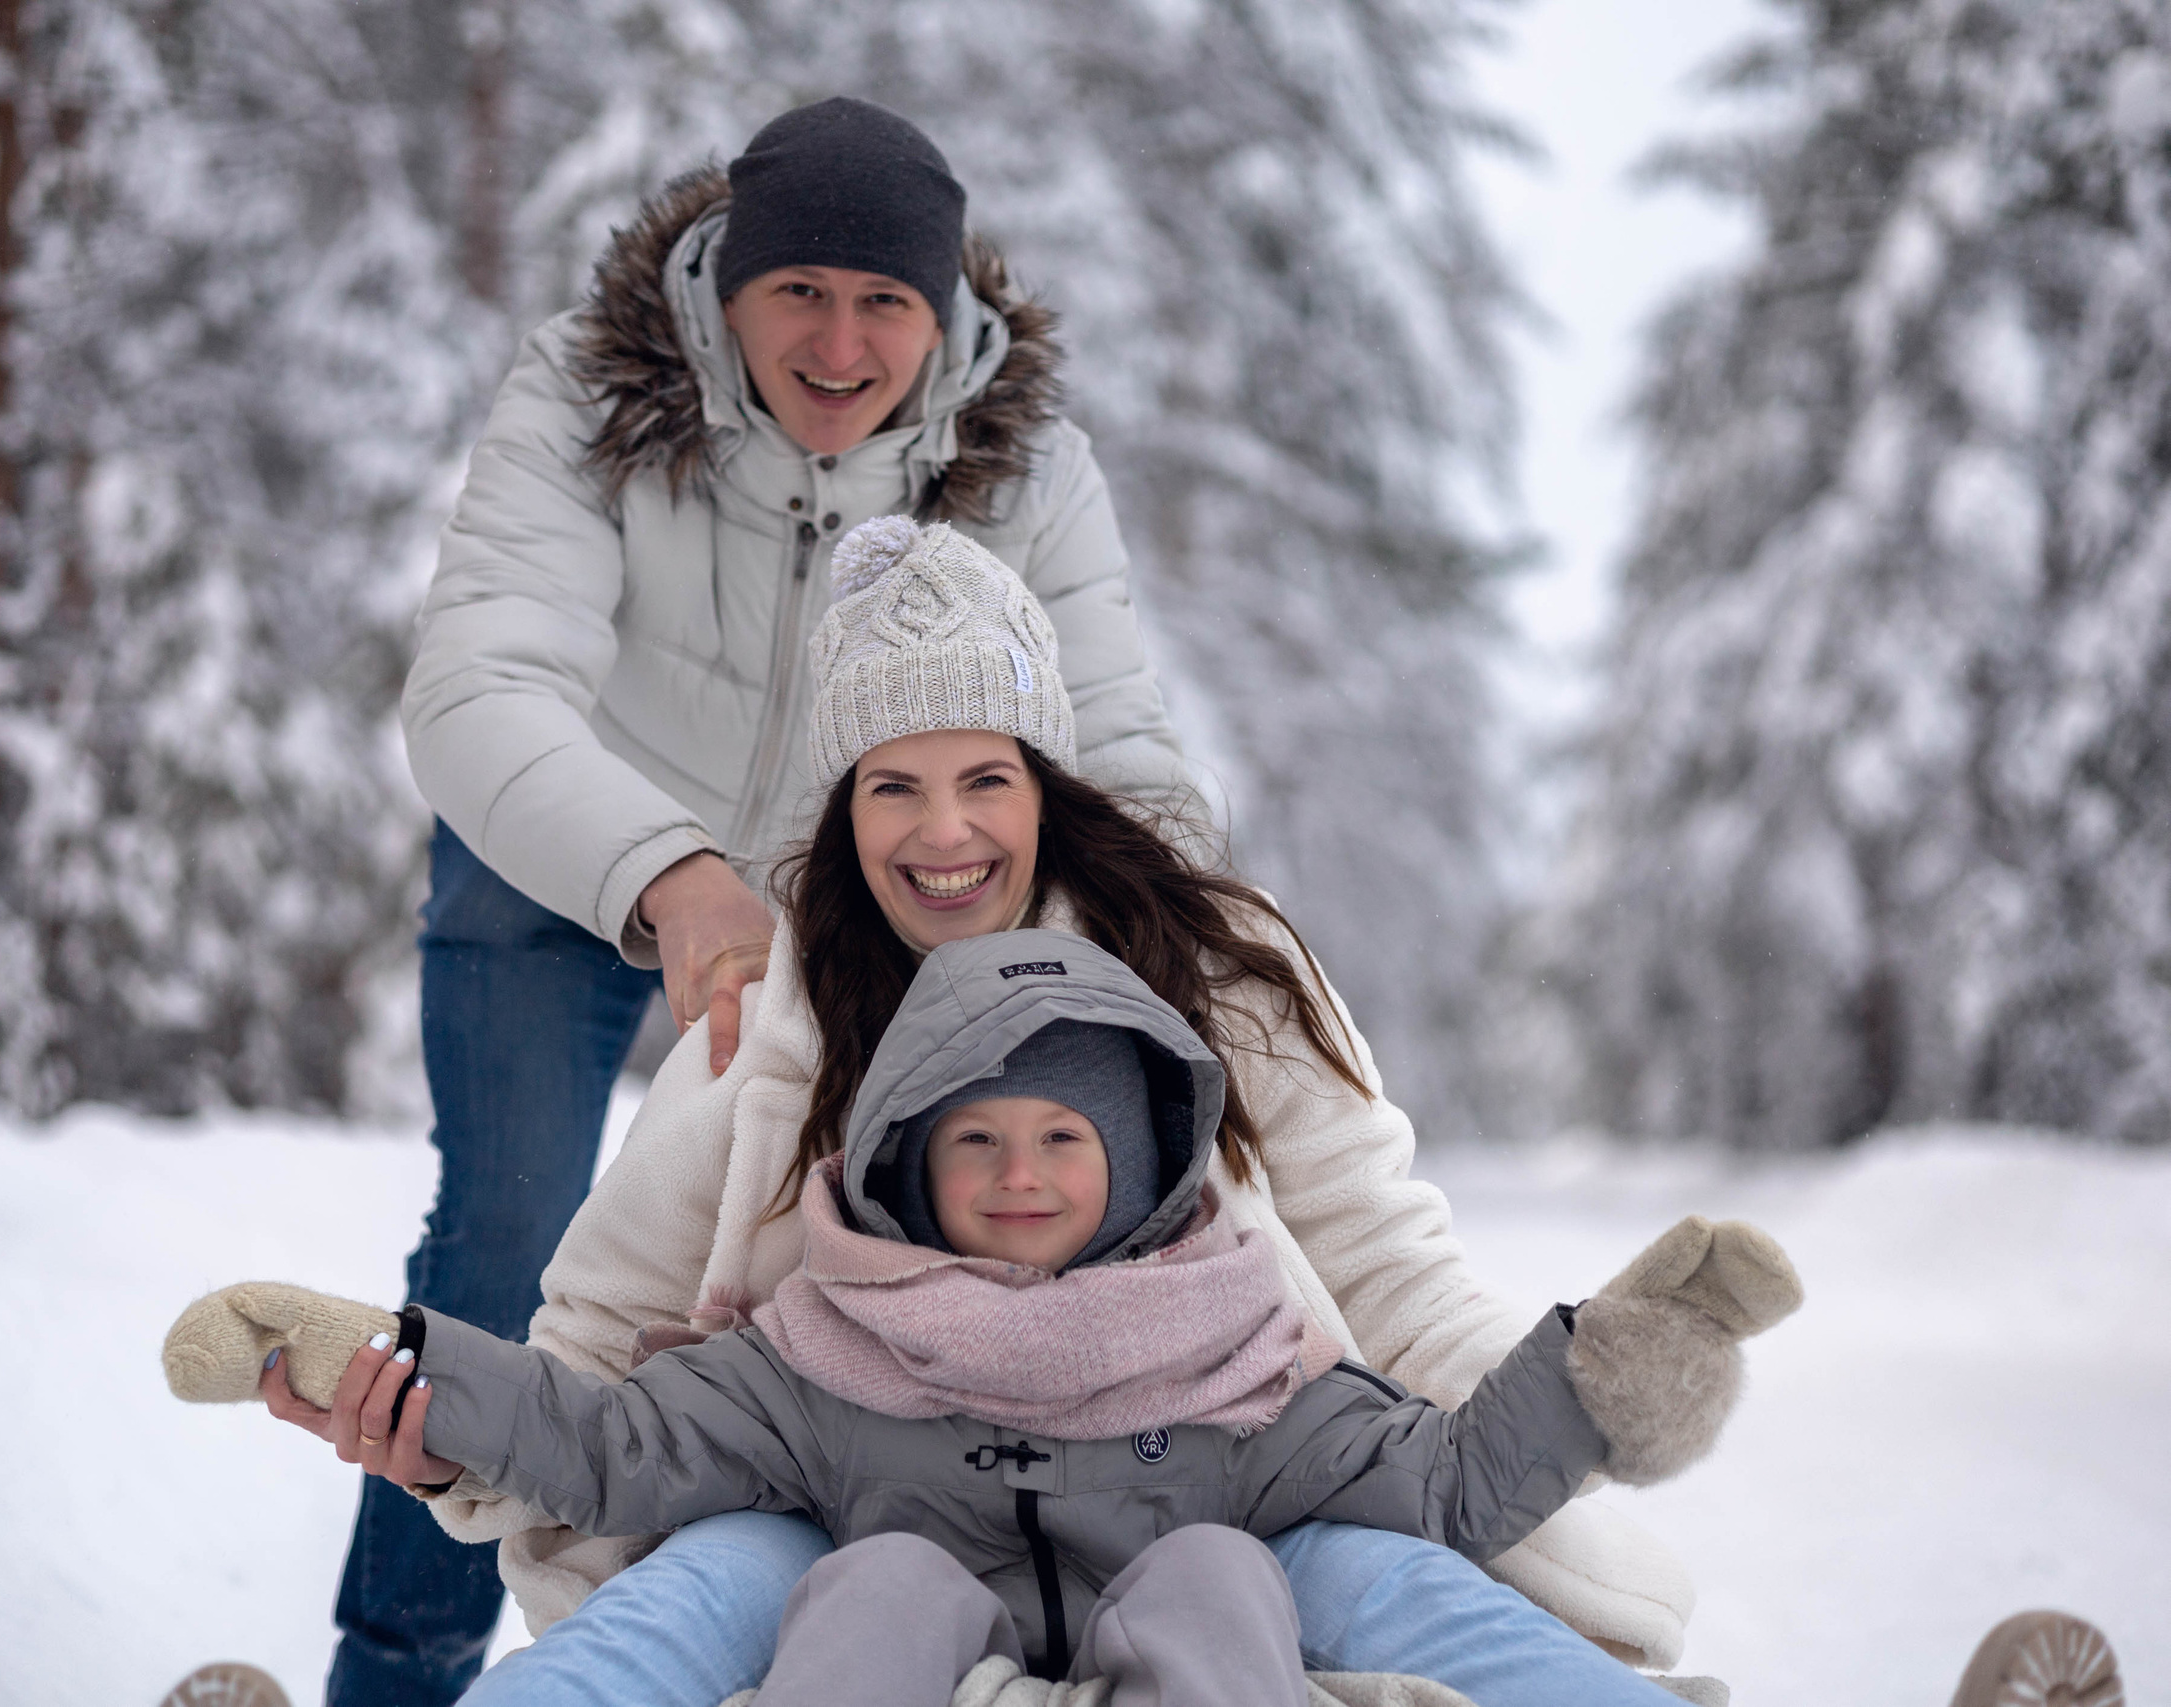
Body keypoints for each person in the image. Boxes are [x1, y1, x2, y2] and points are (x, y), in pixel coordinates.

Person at [266, 518, 1731, 1707]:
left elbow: (1390, 1267)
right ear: (843, 810)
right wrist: (445, 1426)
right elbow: (601, 1360)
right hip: (854, 1517)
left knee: (1393, 1587)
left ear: (1048, 783)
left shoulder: (1218, 972)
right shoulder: (768, 1036)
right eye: (892, 785)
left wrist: (1598, 1409)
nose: (945, 830)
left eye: (985, 777)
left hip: (1212, 1497)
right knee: (688, 1602)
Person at [374, 93, 1188, 1707]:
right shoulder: (596, 395)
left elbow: (1124, 749)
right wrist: (670, 878)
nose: (839, 340)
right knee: (502, 1255)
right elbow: (479, 684)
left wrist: (1165, 933)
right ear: (721, 292)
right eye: (797, 292)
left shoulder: (1015, 460)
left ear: (944, 314)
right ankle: (394, 1677)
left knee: (838, 1277)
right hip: (573, 852)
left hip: (871, 892)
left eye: (886, 299)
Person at [169, 932, 1802, 1707]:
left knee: (1262, 1570)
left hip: (1197, 1648)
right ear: (905, 1166)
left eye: (1063, 1140)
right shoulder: (825, 1347)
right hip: (895, 1655)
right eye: (978, 1143)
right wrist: (394, 1366)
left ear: (1143, 1164)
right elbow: (612, 1440)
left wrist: (1599, 1373)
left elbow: (1441, 1489)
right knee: (851, 1580)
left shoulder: (1230, 1346)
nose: (1021, 1175)